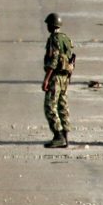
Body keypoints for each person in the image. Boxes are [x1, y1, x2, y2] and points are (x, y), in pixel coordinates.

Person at [41, 12, 75, 149]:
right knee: (63, 105)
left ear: (51, 25)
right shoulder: (66, 39)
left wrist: (46, 79)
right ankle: (65, 135)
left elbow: (54, 61)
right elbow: (70, 58)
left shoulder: (53, 39)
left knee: (50, 106)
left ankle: (58, 135)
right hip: (65, 77)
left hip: (55, 77)